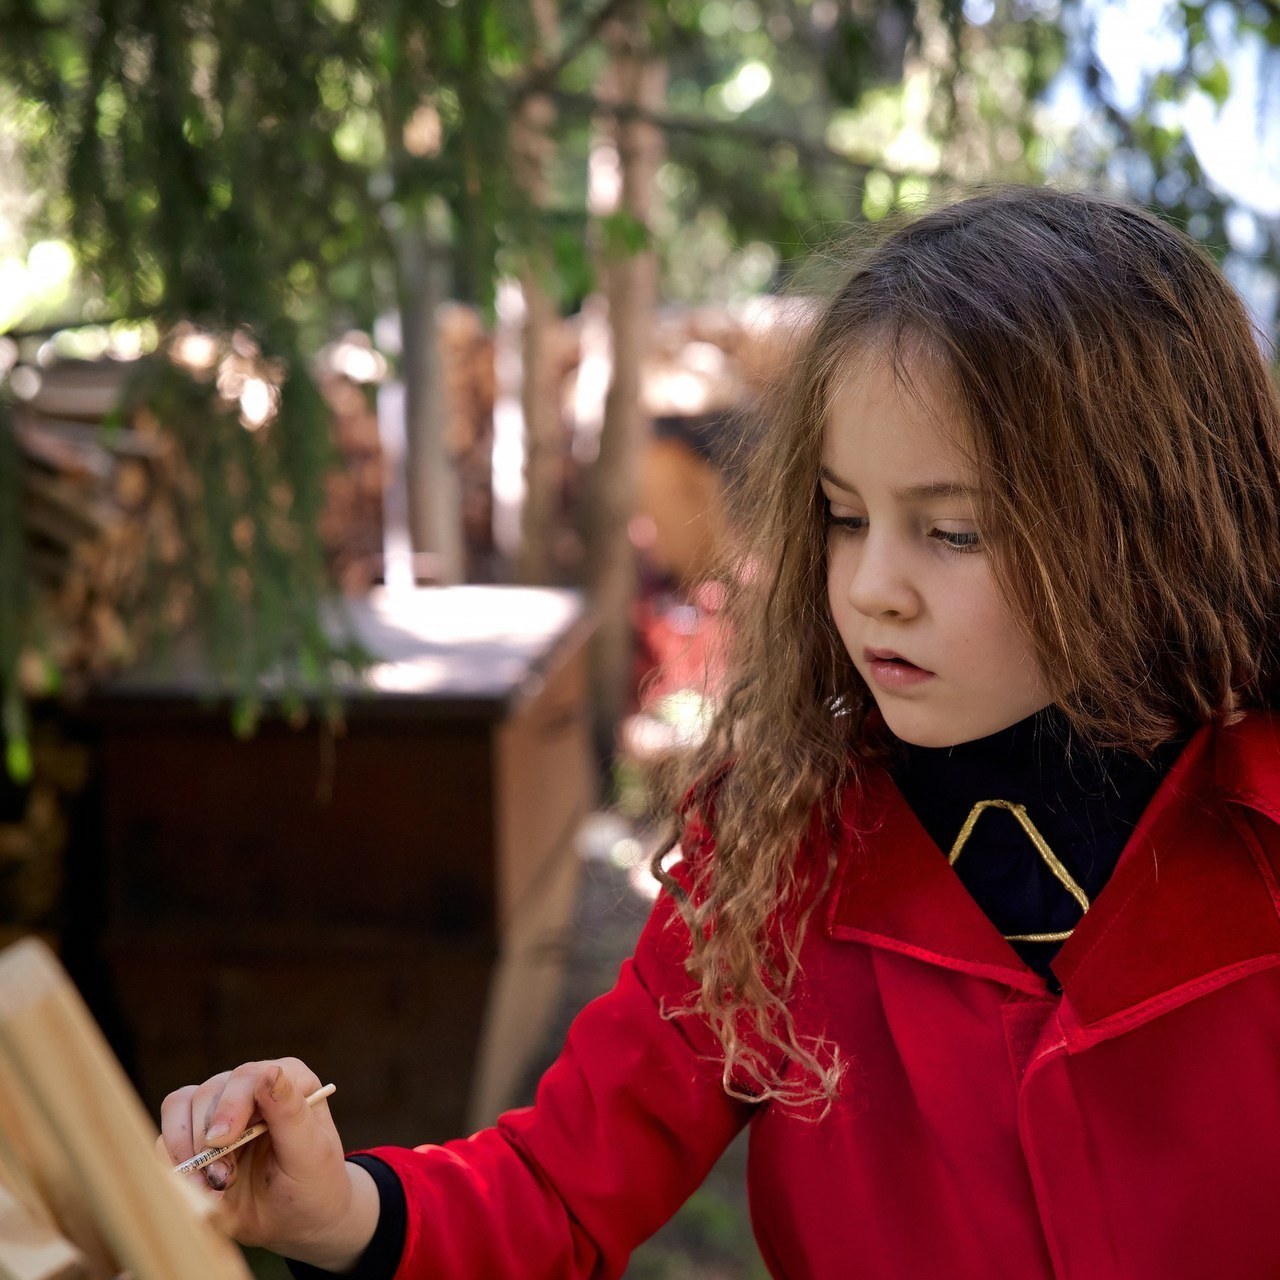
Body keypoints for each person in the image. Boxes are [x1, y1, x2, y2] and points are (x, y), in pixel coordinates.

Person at [161, 186, 1280, 1279]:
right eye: (843, 517)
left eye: (952, 529)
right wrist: (339, 1205)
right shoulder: (778, 850)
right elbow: (558, 1187)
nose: (872, 586)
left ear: (1153, 529)